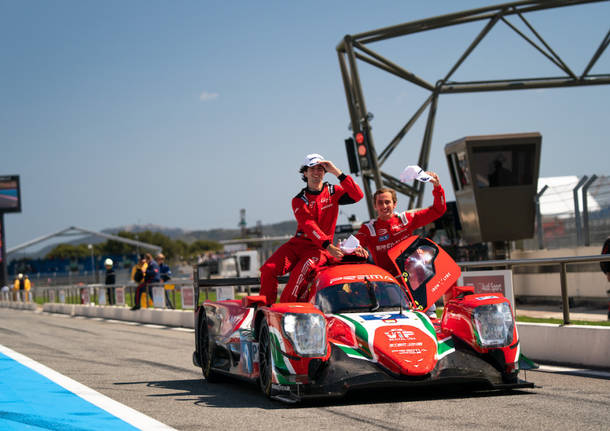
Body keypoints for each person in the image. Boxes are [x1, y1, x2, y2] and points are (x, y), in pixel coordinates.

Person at [259, 153, 364, 305]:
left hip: (318, 249)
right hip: (300, 243)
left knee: (299, 274)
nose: (316, 172)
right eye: (312, 169)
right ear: (305, 173)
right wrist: (329, 246)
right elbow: (309, 225)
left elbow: (358, 195)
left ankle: (284, 312)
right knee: (268, 269)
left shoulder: (333, 191)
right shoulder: (298, 200)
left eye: (320, 169)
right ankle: (265, 310)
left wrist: (337, 172)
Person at [355, 172, 446, 317]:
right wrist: (346, 247)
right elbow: (350, 247)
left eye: (387, 202)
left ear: (394, 204)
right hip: (388, 285)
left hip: (416, 281)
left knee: (430, 320)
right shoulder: (369, 229)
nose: (384, 206)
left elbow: (438, 210)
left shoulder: (406, 219)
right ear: (375, 206)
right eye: (380, 203)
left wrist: (437, 186)